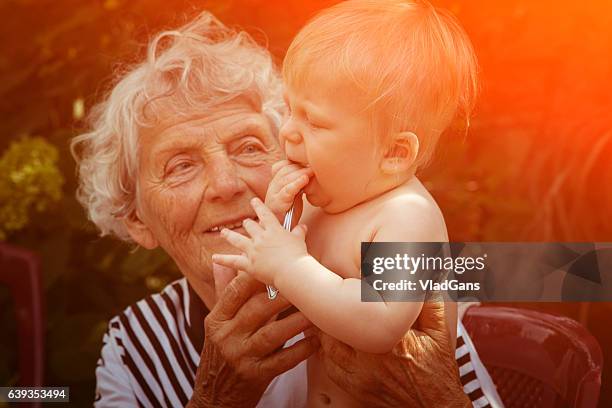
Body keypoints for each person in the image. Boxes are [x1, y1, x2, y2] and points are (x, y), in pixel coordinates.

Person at [72, 10, 499, 408]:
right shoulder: (134, 347)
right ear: (136, 219)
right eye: (181, 166)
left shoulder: (390, 268)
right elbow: (242, 285)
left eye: (250, 147)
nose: (227, 184)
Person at [211, 1, 477, 406]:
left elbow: (380, 323)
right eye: (289, 111)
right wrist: (274, 225)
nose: (288, 134)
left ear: (395, 153)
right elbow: (261, 305)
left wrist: (290, 265)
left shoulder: (407, 216)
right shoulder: (320, 206)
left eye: (314, 122)